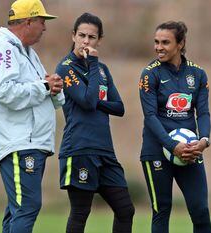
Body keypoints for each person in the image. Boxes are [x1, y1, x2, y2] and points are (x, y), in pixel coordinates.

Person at [0, 0, 64, 232]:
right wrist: (45, 87)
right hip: (18, 143)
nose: (45, 28)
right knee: (27, 206)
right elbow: (3, 91)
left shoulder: (28, 53)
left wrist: (53, 87)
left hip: (31, 143)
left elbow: (42, 90)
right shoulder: (2, 49)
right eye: (42, 22)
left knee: (19, 209)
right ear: (28, 22)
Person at [55, 13, 135, 233]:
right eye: (81, 35)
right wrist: (93, 64)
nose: (86, 42)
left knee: (125, 209)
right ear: (73, 35)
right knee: (81, 213)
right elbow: (88, 102)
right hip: (80, 147)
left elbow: (119, 107)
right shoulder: (66, 68)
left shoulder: (102, 70)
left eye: (92, 37)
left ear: (99, 39)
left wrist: (96, 95)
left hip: (105, 151)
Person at [138, 21, 211, 233]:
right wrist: (172, 145)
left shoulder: (198, 74)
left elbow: (204, 112)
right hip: (157, 152)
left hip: (190, 151)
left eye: (165, 42)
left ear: (180, 44)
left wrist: (203, 140)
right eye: (156, 42)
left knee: (200, 210)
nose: (158, 47)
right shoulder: (149, 74)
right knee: (162, 210)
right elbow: (150, 116)